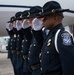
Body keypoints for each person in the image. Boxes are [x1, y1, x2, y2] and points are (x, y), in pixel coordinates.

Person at [31, 1, 74, 75]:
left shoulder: (61, 36)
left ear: (55, 18)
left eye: (45, 18)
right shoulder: (51, 35)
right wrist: (36, 30)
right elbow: (40, 45)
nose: (43, 21)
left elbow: (70, 67)